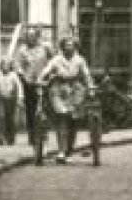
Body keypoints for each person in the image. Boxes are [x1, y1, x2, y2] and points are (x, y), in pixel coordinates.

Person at [39, 34, 93, 163]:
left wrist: (90, 86)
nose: (69, 48)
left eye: (72, 45)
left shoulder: (80, 60)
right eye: (66, 45)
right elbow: (46, 70)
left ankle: (68, 150)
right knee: (62, 117)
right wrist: (41, 79)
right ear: (62, 47)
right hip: (59, 88)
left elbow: (86, 74)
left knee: (74, 120)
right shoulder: (56, 59)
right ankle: (61, 152)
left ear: (75, 47)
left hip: (75, 88)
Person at [13, 26, 56, 148]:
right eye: (28, 36)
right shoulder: (22, 50)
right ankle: (32, 135)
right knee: (30, 110)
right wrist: (22, 75)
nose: (31, 39)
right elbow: (18, 64)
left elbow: (53, 61)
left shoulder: (45, 47)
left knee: (46, 106)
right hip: (29, 82)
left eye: (33, 36)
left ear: (37, 37)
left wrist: (51, 74)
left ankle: (44, 133)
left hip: (44, 81)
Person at [0, 58, 23, 146]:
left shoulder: (14, 75)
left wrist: (20, 98)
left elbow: (19, 86)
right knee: (1, 117)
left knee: (10, 118)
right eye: (3, 65)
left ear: (10, 66)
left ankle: (10, 138)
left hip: (11, 98)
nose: (5, 67)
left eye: (7, 65)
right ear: (1, 66)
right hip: (1, 98)